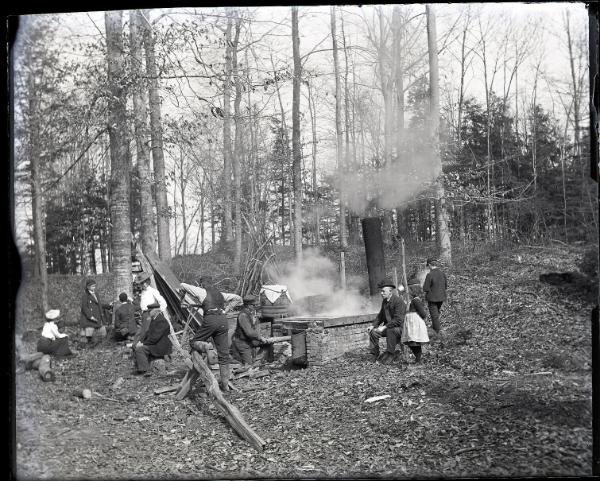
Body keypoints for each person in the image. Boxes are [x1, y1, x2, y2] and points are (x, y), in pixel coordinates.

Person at [189, 276, 232, 391]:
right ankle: (225, 385)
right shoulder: (221, 294)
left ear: (202, 284)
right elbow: (238, 299)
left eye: (200, 283)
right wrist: (225, 310)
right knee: (224, 355)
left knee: (193, 342)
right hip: (223, 319)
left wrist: (183, 292)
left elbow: (183, 285)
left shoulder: (202, 291)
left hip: (211, 320)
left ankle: (205, 346)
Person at [367, 279, 407, 361]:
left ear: (390, 291)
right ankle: (374, 354)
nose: (381, 293)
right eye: (381, 291)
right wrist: (373, 325)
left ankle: (390, 353)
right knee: (373, 332)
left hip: (400, 328)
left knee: (390, 331)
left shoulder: (398, 301)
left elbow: (398, 320)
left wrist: (384, 327)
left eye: (383, 291)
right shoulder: (384, 302)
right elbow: (380, 316)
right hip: (389, 328)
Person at [230, 295, 272, 371]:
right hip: (242, 343)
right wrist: (260, 337)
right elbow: (249, 333)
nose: (255, 306)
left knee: (268, 343)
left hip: (249, 341)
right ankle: (250, 364)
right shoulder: (243, 315)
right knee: (248, 367)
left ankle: (258, 361)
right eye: (254, 305)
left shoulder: (250, 313)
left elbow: (255, 329)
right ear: (248, 305)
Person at [133, 308, 172, 376]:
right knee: (135, 346)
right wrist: (140, 341)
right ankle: (141, 367)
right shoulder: (155, 319)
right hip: (156, 343)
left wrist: (143, 343)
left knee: (140, 349)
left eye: (150, 311)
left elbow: (155, 337)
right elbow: (148, 333)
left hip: (160, 345)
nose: (148, 312)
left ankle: (145, 370)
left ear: (156, 311)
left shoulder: (161, 321)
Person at [402, 284, 430, 364]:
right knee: (412, 342)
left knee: (414, 342)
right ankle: (418, 359)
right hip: (411, 323)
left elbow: (423, 313)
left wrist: (415, 318)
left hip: (414, 324)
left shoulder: (416, 300)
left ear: (414, 291)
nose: (409, 292)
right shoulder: (414, 300)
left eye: (410, 290)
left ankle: (418, 359)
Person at [79, 279, 110, 346]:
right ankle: (87, 344)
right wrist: (90, 316)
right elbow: (84, 307)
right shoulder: (85, 295)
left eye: (94, 286)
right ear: (88, 287)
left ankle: (99, 343)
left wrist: (108, 306)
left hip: (97, 315)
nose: (94, 288)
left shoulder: (96, 294)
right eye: (92, 286)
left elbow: (98, 304)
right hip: (89, 317)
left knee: (101, 331)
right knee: (89, 332)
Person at [423, 257, 448, 337]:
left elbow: (425, 288)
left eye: (428, 266)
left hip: (432, 299)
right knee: (436, 314)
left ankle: (437, 334)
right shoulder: (442, 273)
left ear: (430, 265)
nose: (428, 267)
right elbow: (446, 286)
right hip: (441, 298)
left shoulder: (430, 274)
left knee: (434, 316)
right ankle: (435, 327)